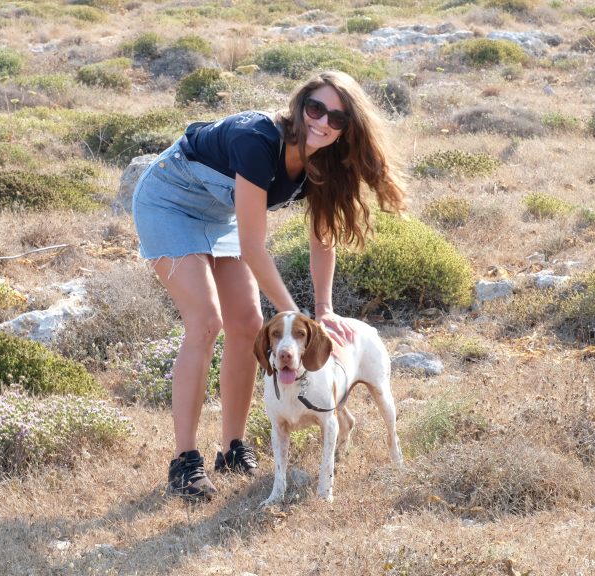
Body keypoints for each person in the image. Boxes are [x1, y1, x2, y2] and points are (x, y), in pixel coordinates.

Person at [131, 70, 406, 501]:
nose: (323, 123)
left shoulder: (324, 161)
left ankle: (233, 449)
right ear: (300, 106)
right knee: (206, 322)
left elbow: (322, 237)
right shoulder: (257, 139)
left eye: (337, 118)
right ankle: (185, 463)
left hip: (218, 214)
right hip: (169, 200)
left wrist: (324, 309)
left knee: (248, 323)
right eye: (316, 109)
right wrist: (303, 323)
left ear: (346, 129)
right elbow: (254, 249)